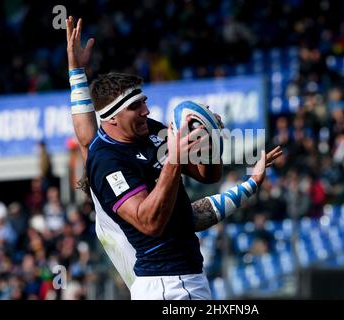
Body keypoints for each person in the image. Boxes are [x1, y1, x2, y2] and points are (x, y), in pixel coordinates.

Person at [65, 16, 282, 300]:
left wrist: (210, 139)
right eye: (135, 106)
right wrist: (174, 160)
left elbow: (207, 179)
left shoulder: (149, 132)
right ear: (112, 118)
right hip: (169, 285)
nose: (146, 110)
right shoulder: (107, 161)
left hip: (179, 281)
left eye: (143, 101)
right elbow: (150, 222)